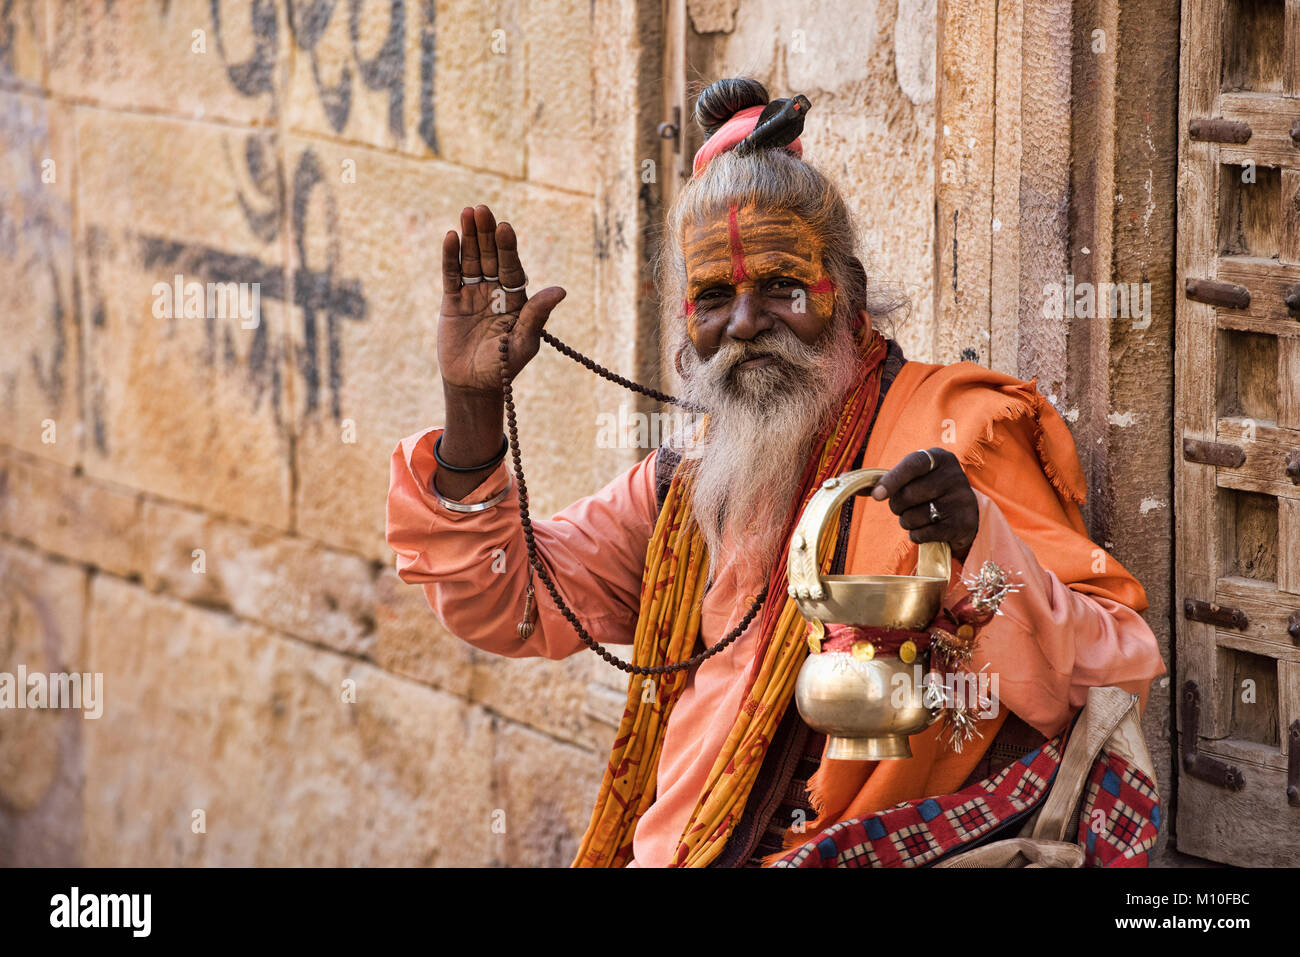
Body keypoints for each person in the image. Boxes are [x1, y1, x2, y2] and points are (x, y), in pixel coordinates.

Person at [386, 77, 1166, 868]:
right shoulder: (688, 485)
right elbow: (506, 601)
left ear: (850, 295)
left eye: (783, 287)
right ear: (687, 328)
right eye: (715, 296)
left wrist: (975, 542)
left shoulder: (958, 431)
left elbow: (1118, 666)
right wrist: (473, 406)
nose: (747, 324)